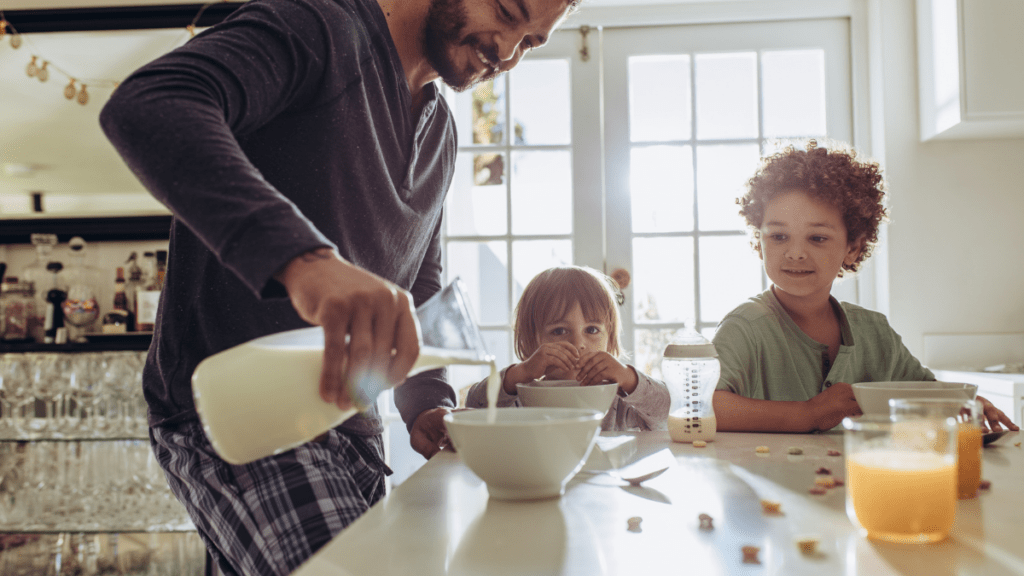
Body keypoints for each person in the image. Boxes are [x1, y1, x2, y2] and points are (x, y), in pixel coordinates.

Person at [99, 0, 578, 572]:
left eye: (529, 43)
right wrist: (305, 261)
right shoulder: (318, 28)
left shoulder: (442, 134)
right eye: (505, 11)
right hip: (240, 413)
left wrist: (427, 404)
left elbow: (418, 278)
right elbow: (150, 104)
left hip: (352, 430)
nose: (505, 52)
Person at [712, 140, 1019, 434]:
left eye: (817, 238)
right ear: (759, 241)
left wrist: (960, 405)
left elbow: (922, 394)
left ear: (853, 247)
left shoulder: (875, 333)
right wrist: (807, 414)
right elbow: (703, 407)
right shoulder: (745, 328)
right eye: (778, 237)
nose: (795, 253)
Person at [465, 266, 670, 430]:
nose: (577, 343)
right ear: (529, 343)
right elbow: (474, 406)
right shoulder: (521, 397)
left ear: (610, 341)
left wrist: (629, 378)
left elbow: (670, 412)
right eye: (559, 331)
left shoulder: (621, 400)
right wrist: (521, 372)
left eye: (591, 329)